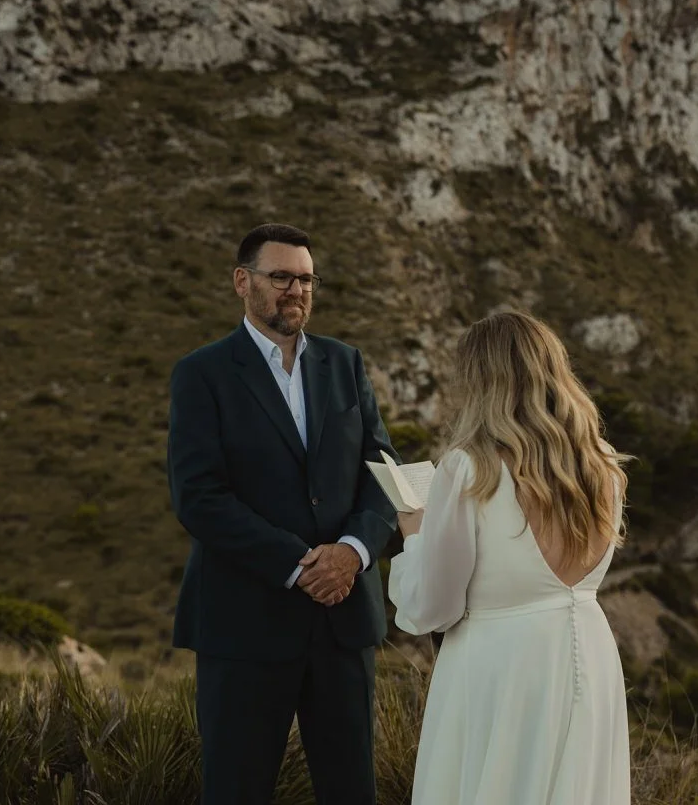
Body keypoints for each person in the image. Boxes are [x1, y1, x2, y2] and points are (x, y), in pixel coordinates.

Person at [166, 223, 400, 805]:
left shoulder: (346, 365)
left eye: (306, 279)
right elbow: (199, 497)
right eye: (281, 277)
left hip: (343, 622)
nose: (295, 290)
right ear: (243, 282)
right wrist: (300, 567)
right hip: (244, 624)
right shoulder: (203, 374)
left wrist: (352, 554)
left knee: (351, 792)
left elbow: (384, 477)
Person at [388, 309, 632, 805]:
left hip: (502, 667)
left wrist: (414, 532)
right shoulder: (602, 463)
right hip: (591, 651)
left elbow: (431, 607)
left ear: (482, 381)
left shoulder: (470, 467)